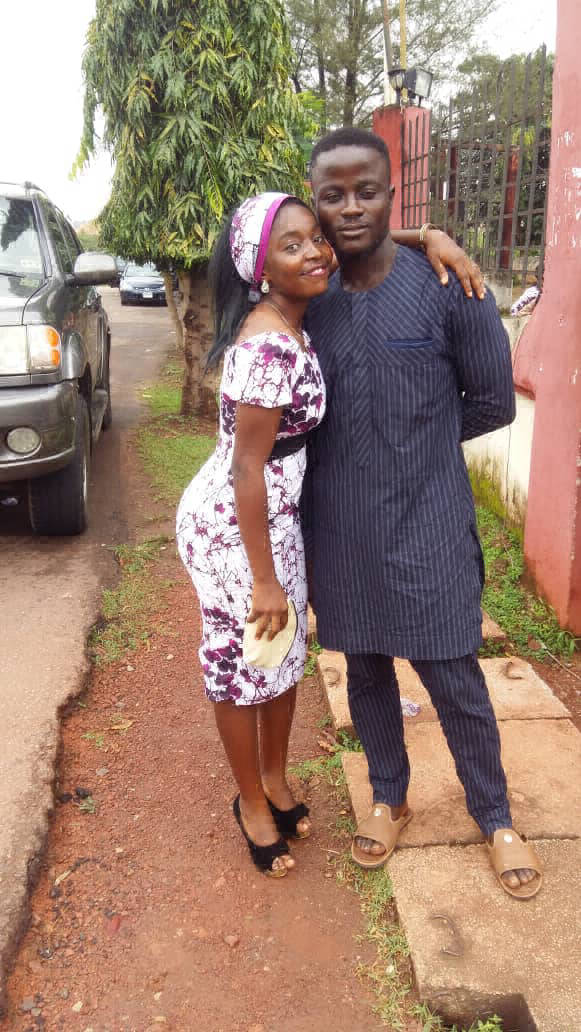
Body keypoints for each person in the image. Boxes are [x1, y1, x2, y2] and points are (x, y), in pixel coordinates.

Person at [175, 187, 483, 878]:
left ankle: (276, 779)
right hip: (233, 529)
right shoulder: (266, 346)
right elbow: (247, 469)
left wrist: (427, 236)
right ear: (261, 269)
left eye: (314, 237)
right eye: (292, 246)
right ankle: (251, 800)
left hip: (278, 519)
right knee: (239, 668)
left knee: (282, 658)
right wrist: (263, 578)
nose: (315, 252)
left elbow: (355, 242)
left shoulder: (297, 310)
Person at [304, 127, 542, 899]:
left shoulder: (448, 285)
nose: (349, 208)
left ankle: (494, 815)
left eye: (366, 191)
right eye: (332, 195)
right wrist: (417, 229)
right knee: (364, 669)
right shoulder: (308, 297)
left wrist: (418, 445)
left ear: (392, 193)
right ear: (314, 202)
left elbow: (493, 400)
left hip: (429, 519)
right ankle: (388, 796)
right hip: (339, 522)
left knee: (453, 675)